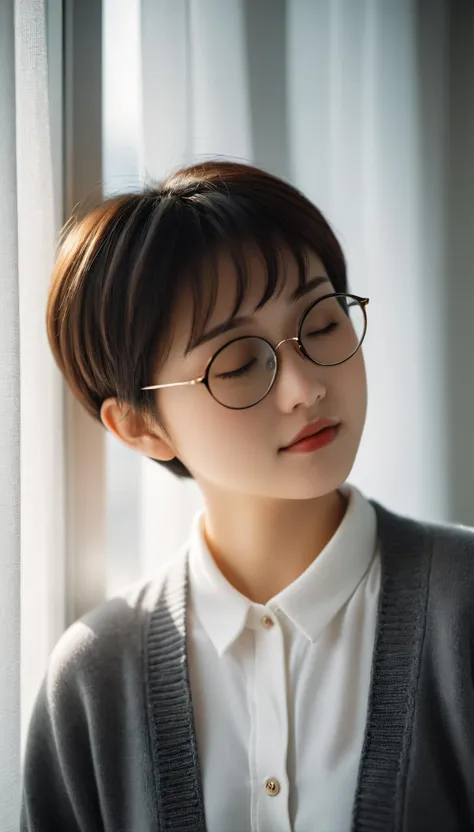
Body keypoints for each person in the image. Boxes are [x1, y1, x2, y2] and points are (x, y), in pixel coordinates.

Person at [20, 160, 474, 832]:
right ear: (139, 425)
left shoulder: (461, 605)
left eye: (322, 323)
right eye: (237, 364)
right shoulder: (93, 679)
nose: (304, 387)